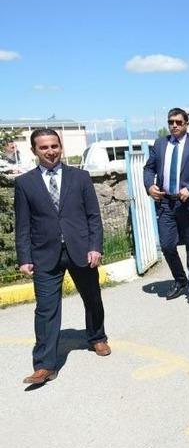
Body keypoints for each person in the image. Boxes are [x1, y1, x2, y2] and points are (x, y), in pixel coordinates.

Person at [14, 129, 110, 385]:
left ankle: (97, 337)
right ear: (34, 151)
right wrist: (24, 257)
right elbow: (23, 224)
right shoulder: (24, 183)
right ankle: (45, 365)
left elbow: (93, 216)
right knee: (45, 310)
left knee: (92, 299)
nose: (50, 151)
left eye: (54, 146)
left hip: (81, 251)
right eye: (44, 147)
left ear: (61, 147)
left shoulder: (80, 177)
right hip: (45, 256)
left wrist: (95, 247)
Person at [143, 108, 189, 305]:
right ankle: (180, 280)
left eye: (178, 122)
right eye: (171, 122)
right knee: (167, 245)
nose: (174, 125)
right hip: (166, 201)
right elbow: (149, 168)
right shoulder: (160, 144)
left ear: (186, 124)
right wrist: (149, 186)